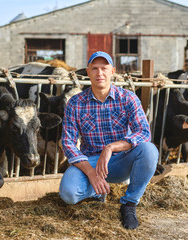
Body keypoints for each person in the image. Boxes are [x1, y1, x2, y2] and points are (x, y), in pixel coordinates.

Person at [59, 51, 158, 229]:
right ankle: (97, 191)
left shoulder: (128, 98)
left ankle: (129, 203)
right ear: (87, 72)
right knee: (68, 194)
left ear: (113, 71)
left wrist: (111, 147)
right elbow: (68, 142)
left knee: (149, 150)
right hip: (90, 161)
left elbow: (143, 132)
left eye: (104, 68)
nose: (100, 73)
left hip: (121, 160)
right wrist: (91, 173)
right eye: (94, 69)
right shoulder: (75, 103)